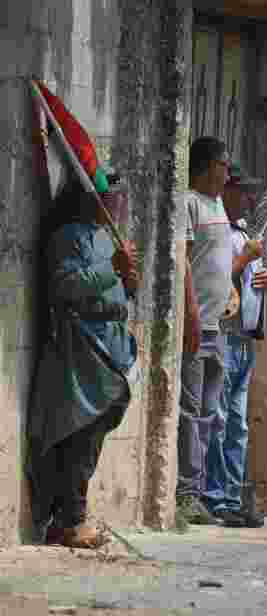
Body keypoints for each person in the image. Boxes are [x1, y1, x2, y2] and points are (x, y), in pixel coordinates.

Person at [28, 175, 140, 548]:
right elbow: (66, 286)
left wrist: (128, 279)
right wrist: (112, 268)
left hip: (112, 344)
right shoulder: (68, 236)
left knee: (95, 432)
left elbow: (121, 289)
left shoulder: (111, 237)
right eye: (110, 196)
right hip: (82, 345)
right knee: (79, 432)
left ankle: (71, 515)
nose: (117, 203)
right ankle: (69, 520)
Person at [176, 137, 259, 526]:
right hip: (197, 327)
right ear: (208, 165)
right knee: (191, 412)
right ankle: (186, 493)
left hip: (219, 329)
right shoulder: (189, 203)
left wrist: (237, 278)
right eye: (225, 165)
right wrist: (192, 312)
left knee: (213, 415)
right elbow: (185, 265)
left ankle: (206, 494)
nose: (228, 173)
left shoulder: (218, 210)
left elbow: (221, 267)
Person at [202, 165, 267, 528]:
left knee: (238, 425)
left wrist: (264, 276)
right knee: (220, 418)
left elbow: (249, 280)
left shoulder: (245, 234)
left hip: (244, 338)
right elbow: (214, 276)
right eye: (243, 191)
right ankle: (215, 496)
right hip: (224, 335)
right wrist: (246, 258)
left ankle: (231, 496)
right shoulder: (217, 232)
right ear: (227, 192)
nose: (250, 199)